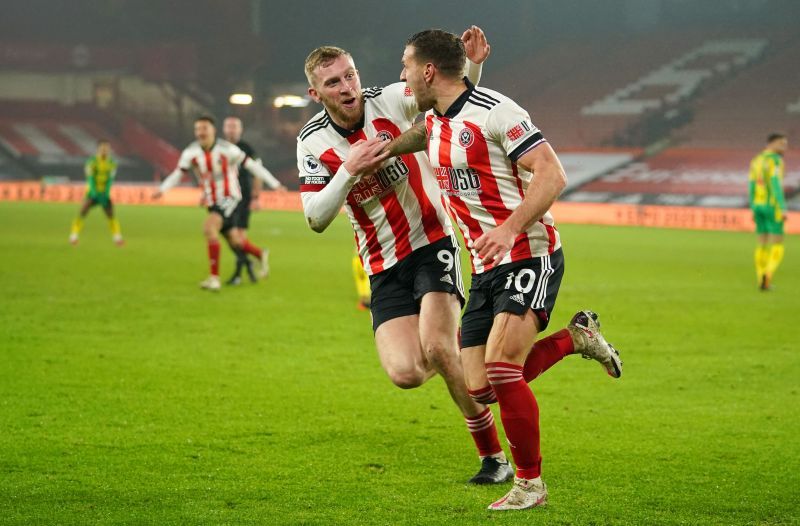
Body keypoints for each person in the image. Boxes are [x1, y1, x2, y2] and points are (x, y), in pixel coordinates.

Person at [390, 29, 623, 510]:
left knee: (501, 369)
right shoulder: (435, 118)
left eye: (406, 65)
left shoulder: (499, 111)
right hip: (485, 266)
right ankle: (576, 339)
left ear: (429, 70)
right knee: (480, 388)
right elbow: (426, 132)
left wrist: (510, 228)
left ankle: (530, 485)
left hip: (529, 253)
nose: (402, 76)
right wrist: (382, 153)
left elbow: (552, 173)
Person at [297, 28, 514, 484]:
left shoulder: (391, 99)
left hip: (433, 242)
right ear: (316, 94)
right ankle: (469, 354)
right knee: (407, 372)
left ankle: (492, 456)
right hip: (381, 264)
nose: (347, 87)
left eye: (350, 75)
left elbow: (453, 103)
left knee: (437, 344)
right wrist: (348, 173)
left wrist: (473, 67)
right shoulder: (313, 142)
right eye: (333, 83)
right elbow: (315, 217)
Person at [153, 116, 283, 291]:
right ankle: (260, 254)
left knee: (209, 228)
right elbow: (178, 173)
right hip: (212, 200)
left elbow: (253, 166)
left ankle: (214, 278)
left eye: (205, 128)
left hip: (230, 197)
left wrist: (275, 184)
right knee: (234, 240)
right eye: (198, 129)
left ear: (213, 131)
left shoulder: (227, 149)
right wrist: (162, 189)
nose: (201, 132)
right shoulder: (191, 152)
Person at [222, 116, 284, 285]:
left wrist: (256, 197)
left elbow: (258, 171)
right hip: (225, 197)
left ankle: (239, 273)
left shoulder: (246, 148)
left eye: (234, 126)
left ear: (240, 130)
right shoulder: (220, 147)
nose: (231, 129)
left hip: (242, 197)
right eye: (229, 126)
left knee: (237, 237)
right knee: (230, 236)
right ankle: (256, 256)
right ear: (223, 129)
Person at [749, 133, 788, 291]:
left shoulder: (756, 160)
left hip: (758, 205)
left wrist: (752, 206)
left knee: (762, 242)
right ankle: (768, 274)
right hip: (772, 206)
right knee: (777, 242)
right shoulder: (776, 161)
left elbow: (751, 186)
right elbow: (775, 183)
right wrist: (782, 207)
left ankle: (760, 277)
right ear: (771, 143)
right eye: (781, 143)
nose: (784, 147)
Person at [69, 139, 123, 246]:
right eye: (102, 148)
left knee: (111, 215)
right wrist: (94, 192)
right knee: (82, 212)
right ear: (98, 149)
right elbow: (90, 179)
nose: (105, 150)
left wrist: (106, 193)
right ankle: (73, 236)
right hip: (92, 194)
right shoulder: (91, 162)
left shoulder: (112, 163)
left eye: (107, 148)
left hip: (103, 194)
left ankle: (117, 238)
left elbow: (110, 180)